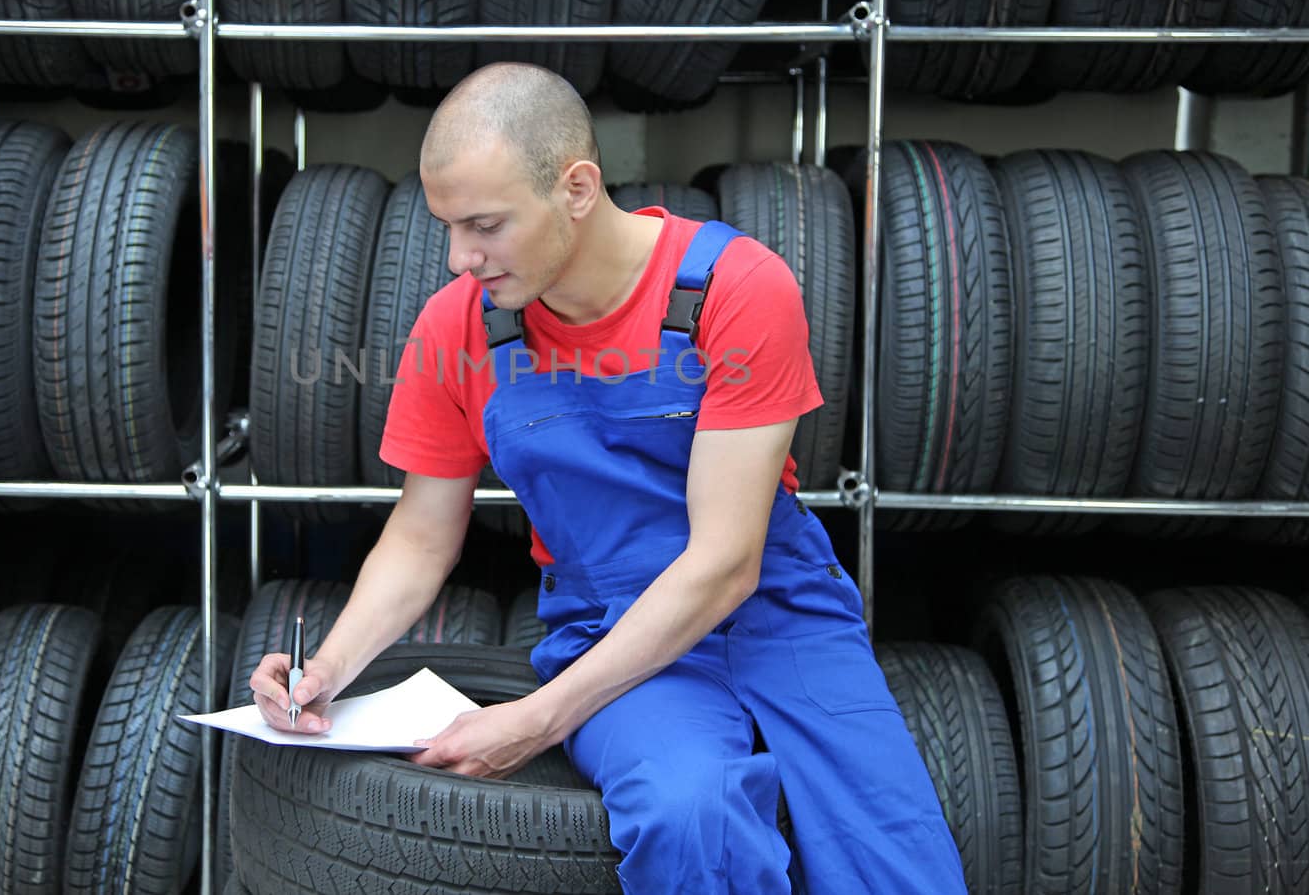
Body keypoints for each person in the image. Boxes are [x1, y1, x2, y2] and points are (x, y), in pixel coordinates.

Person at [250, 62, 966, 893]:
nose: (458, 259)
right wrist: (325, 672)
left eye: (484, 224)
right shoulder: (458, 330)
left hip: (782, 611)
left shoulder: (734, 289)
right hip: (607, 622)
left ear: (578, 187)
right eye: (446, 225)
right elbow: (418, 536)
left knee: (898, 862)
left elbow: (727, 561)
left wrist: (537, 719)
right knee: (689, 816)